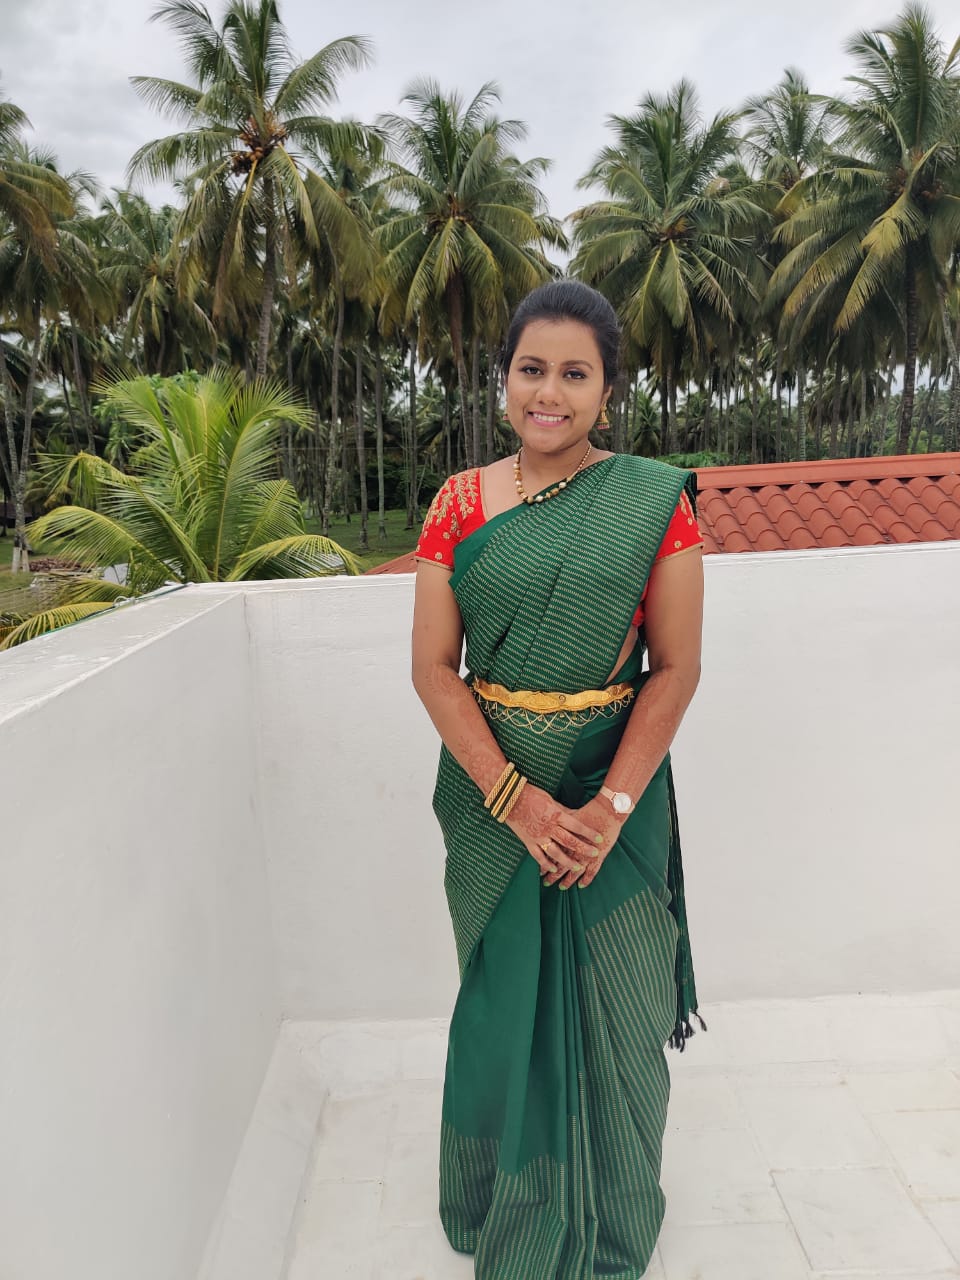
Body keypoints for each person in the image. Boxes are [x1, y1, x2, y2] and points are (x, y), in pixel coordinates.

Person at [411, 279, 705, 1279]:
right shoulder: (457, 504)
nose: (550, 392)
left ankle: (613, 1212)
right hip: (492, 801)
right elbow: (433, 671)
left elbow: (675, 668)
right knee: (502, 1002)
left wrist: (609, 810)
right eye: (531, 369)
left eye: (575, 374)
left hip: (614, 791)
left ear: (607, 392)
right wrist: (518, 802)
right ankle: (495, 1196)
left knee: (620, 999)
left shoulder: (654, 503)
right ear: (504, 380)